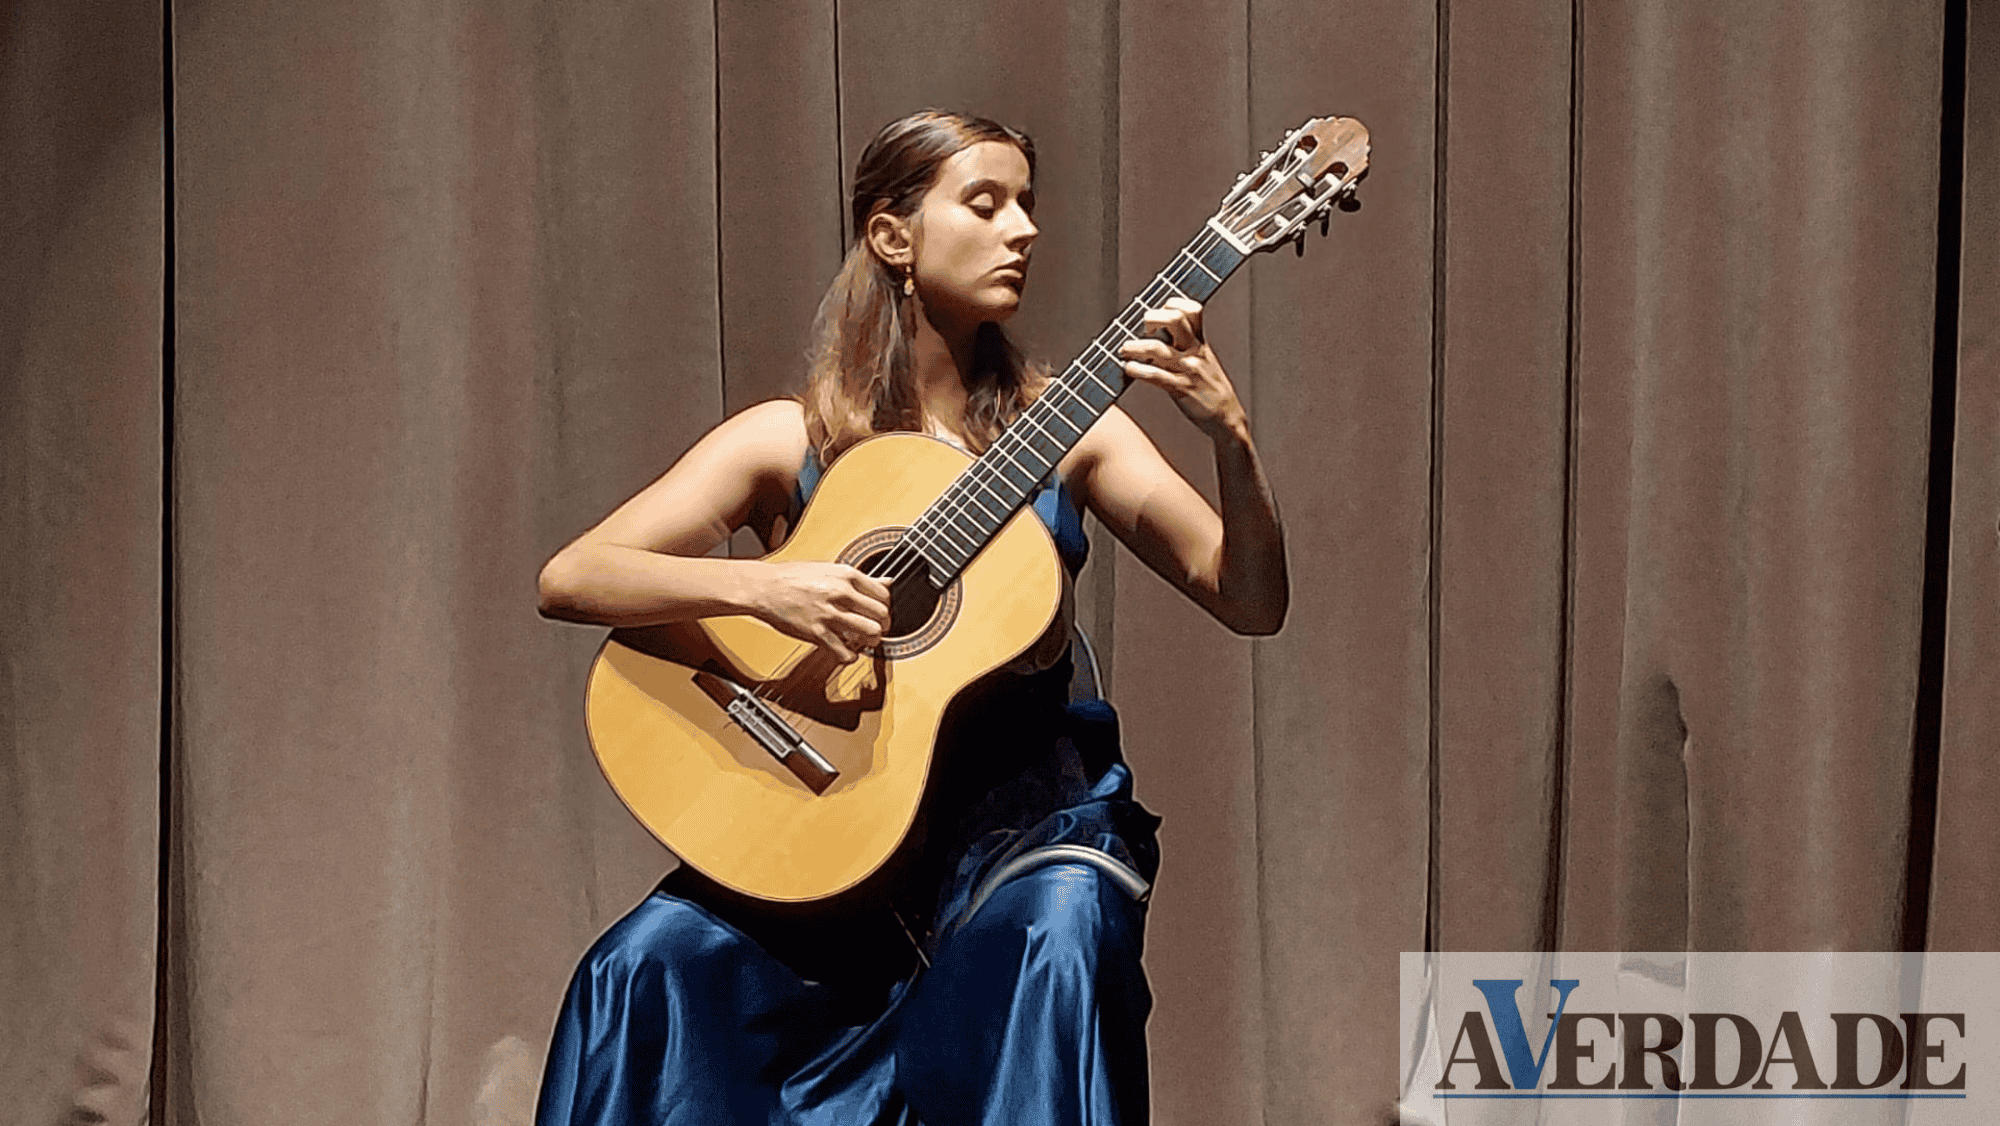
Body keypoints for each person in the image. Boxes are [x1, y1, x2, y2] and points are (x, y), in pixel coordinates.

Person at [532, 108, 1288, 1126]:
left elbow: (1249, 599)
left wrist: (1229, 434)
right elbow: (574, 576)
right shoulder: (790, 438)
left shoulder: (1074, 431)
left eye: (1027, 204)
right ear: (893, 236)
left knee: (1059, 936)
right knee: (639, 967)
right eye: (985, 203)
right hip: (828, 837)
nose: (1022, 229)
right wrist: (763, 589)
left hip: (1013, 846)